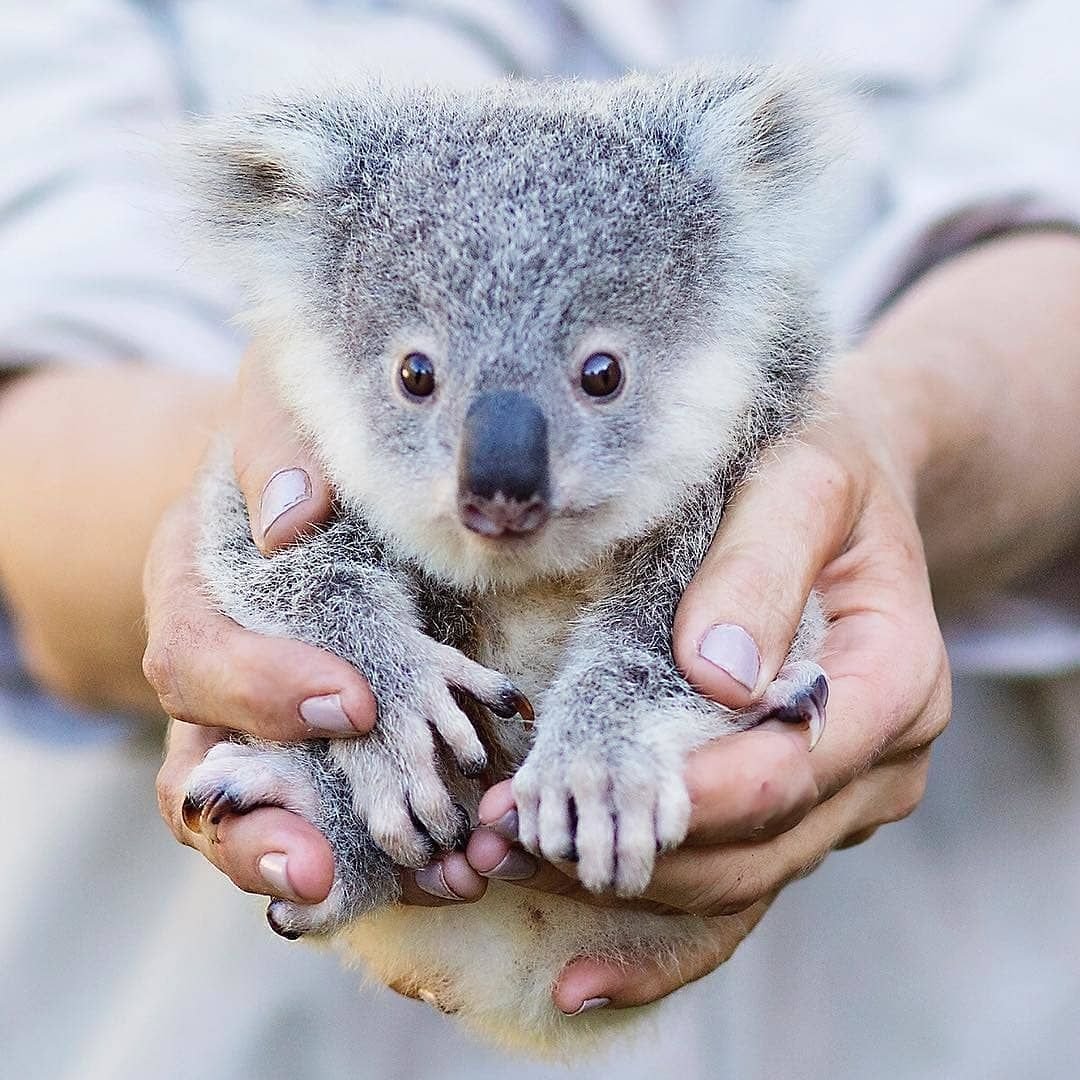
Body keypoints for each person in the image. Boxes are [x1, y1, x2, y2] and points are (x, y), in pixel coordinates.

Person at [1, 2, 1078, 1077]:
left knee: (728, 514)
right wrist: (316, 644)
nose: (504, 479)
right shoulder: (307, 266)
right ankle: (347, 797)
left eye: (601, 377)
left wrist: (886, 448)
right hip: (208, 1017)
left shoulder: (747, 334)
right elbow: (42, 395)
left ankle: (622, 741)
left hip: (896, 1004)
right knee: (297, 543)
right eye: (418, 377)